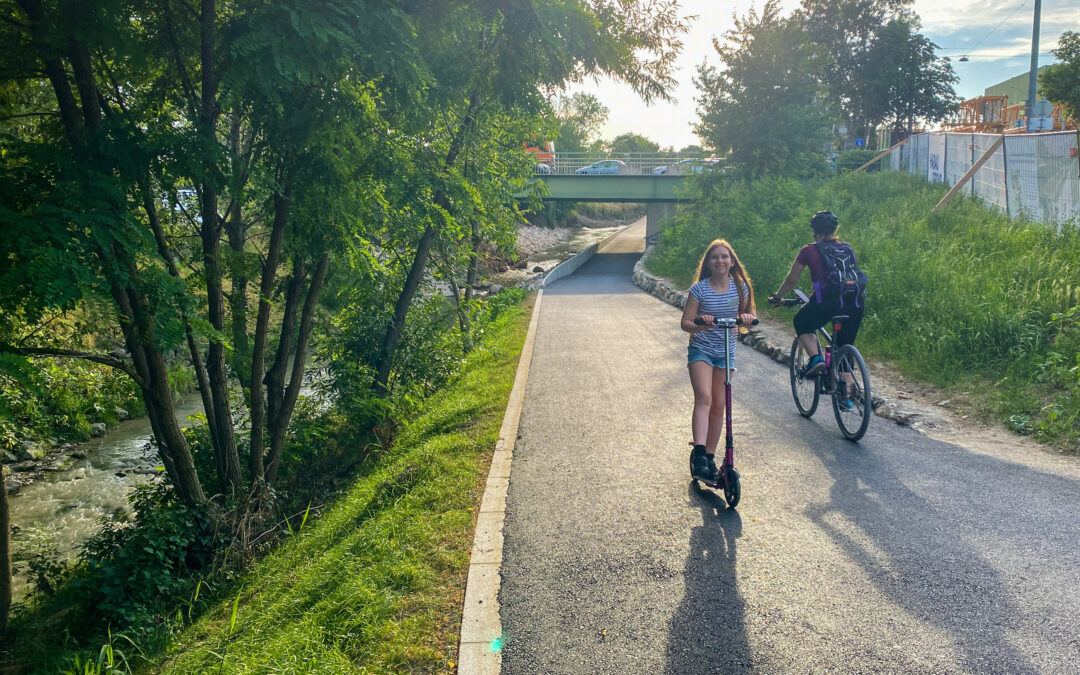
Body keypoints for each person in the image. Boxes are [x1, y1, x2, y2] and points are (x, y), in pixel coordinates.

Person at [768, 211, 865, 406]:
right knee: (843, 348)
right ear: (834, 229)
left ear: (815, 230)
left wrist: (778, 297)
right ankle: (847, 395)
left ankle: (816, 358)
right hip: (855, 302)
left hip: (827, 302)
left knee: (801, 321)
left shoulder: (809, 250)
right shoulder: (848, 248)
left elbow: (792, 279)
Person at [680, 239, 757, 481]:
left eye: (725, 256)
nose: (720, 261)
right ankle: (700, 454)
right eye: (715, 257)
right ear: (708, 263)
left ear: (732, 261)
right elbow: (686, 323)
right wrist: (701, 324)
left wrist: (746, 317)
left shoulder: (741, 287)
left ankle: (710, 458)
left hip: (726, 351)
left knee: (719, 406)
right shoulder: (699, 290)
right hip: (701, 350)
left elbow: (752, 315)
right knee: (704, 397)